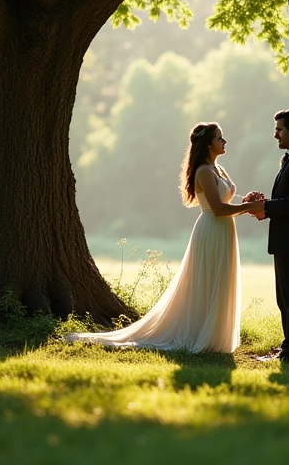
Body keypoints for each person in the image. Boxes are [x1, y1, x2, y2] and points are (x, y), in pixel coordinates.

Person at [64, 122, 263, 353]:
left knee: (220, 279)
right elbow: (217, 208)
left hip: (225, 230)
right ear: (208, 143)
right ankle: (200, 334)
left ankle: (214, 335)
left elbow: (226, 198)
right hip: (212, 229)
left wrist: (246, 201)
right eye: (220, 138)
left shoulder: (218, 169)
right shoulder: (204, 171)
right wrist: (248, 208)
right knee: (208, 280)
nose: (224, 141)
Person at [245, 109, 289, 363]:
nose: (275, 134)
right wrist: (266, 206)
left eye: (279, 129)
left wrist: (265, 208)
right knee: (283, 296)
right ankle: (288, 348)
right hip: (285, 239)